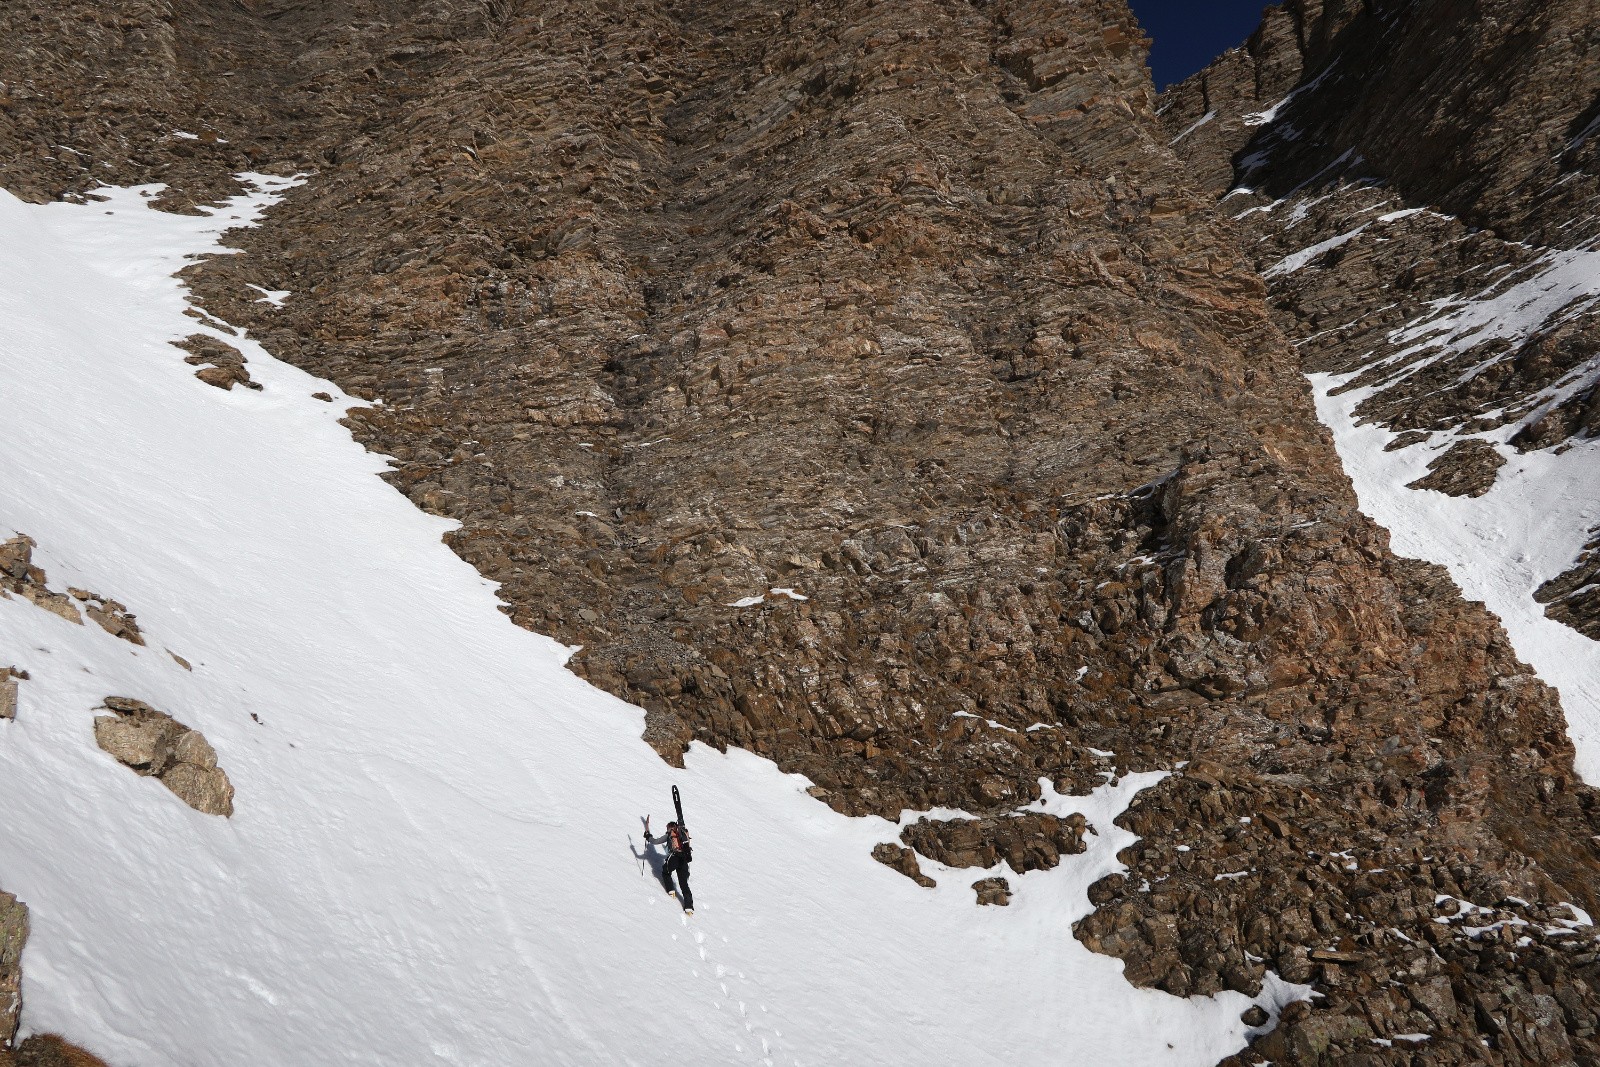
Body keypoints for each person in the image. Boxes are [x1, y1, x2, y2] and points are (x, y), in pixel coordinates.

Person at [645, 818, 694, 912]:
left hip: (674, 857)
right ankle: (689, 906)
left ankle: (670, 889)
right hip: (684, 859)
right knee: (684, 883)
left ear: (670, 827)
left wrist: (648, 836)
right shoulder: (682, 835)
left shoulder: (670, 835)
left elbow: (655, 841)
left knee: (666, 872)